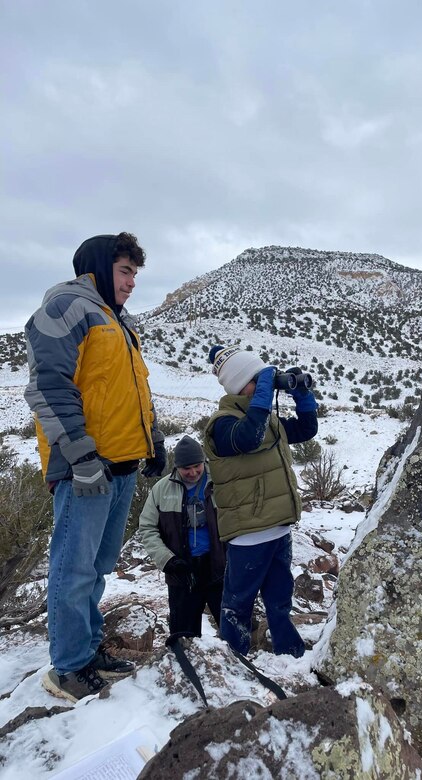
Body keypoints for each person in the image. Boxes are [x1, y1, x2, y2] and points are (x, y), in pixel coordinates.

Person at [24, 232, 166, 703]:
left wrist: (154, 441)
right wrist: (82, 456)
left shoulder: (116, 321)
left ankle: (86, 651)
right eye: (125, 271)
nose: (131, 283)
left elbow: (132, 391)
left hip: (121, 465)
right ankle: (66, 668)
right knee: (73, 567)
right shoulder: (68, 306)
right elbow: (48, 386)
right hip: (88, 466)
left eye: (134, 274)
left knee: (99, 566)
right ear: (101, 267)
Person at [203, 345, 319, 658]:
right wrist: (264, 391)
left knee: (280, 600)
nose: (263, 383)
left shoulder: (267, 420)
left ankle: (290, 654)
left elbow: (307, 430)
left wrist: (302, 395)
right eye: (257, 378)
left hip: (278, 530)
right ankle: (233, 659)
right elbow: (247, 437)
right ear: (240, 385)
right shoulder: (222, 425)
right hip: (247, 535)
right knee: (237, 605)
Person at [138, 435, 225, 637]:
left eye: (197, 466)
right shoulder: (161, 489)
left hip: (220, 568)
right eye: (187, 468)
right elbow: (147, 528)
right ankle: (185, 667)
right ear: (177, 467)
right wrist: (167, 561)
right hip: (182, 572)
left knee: (235, 630)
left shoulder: (220, 482)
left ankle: (241, 665)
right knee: (183, 635)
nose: (193, 472)